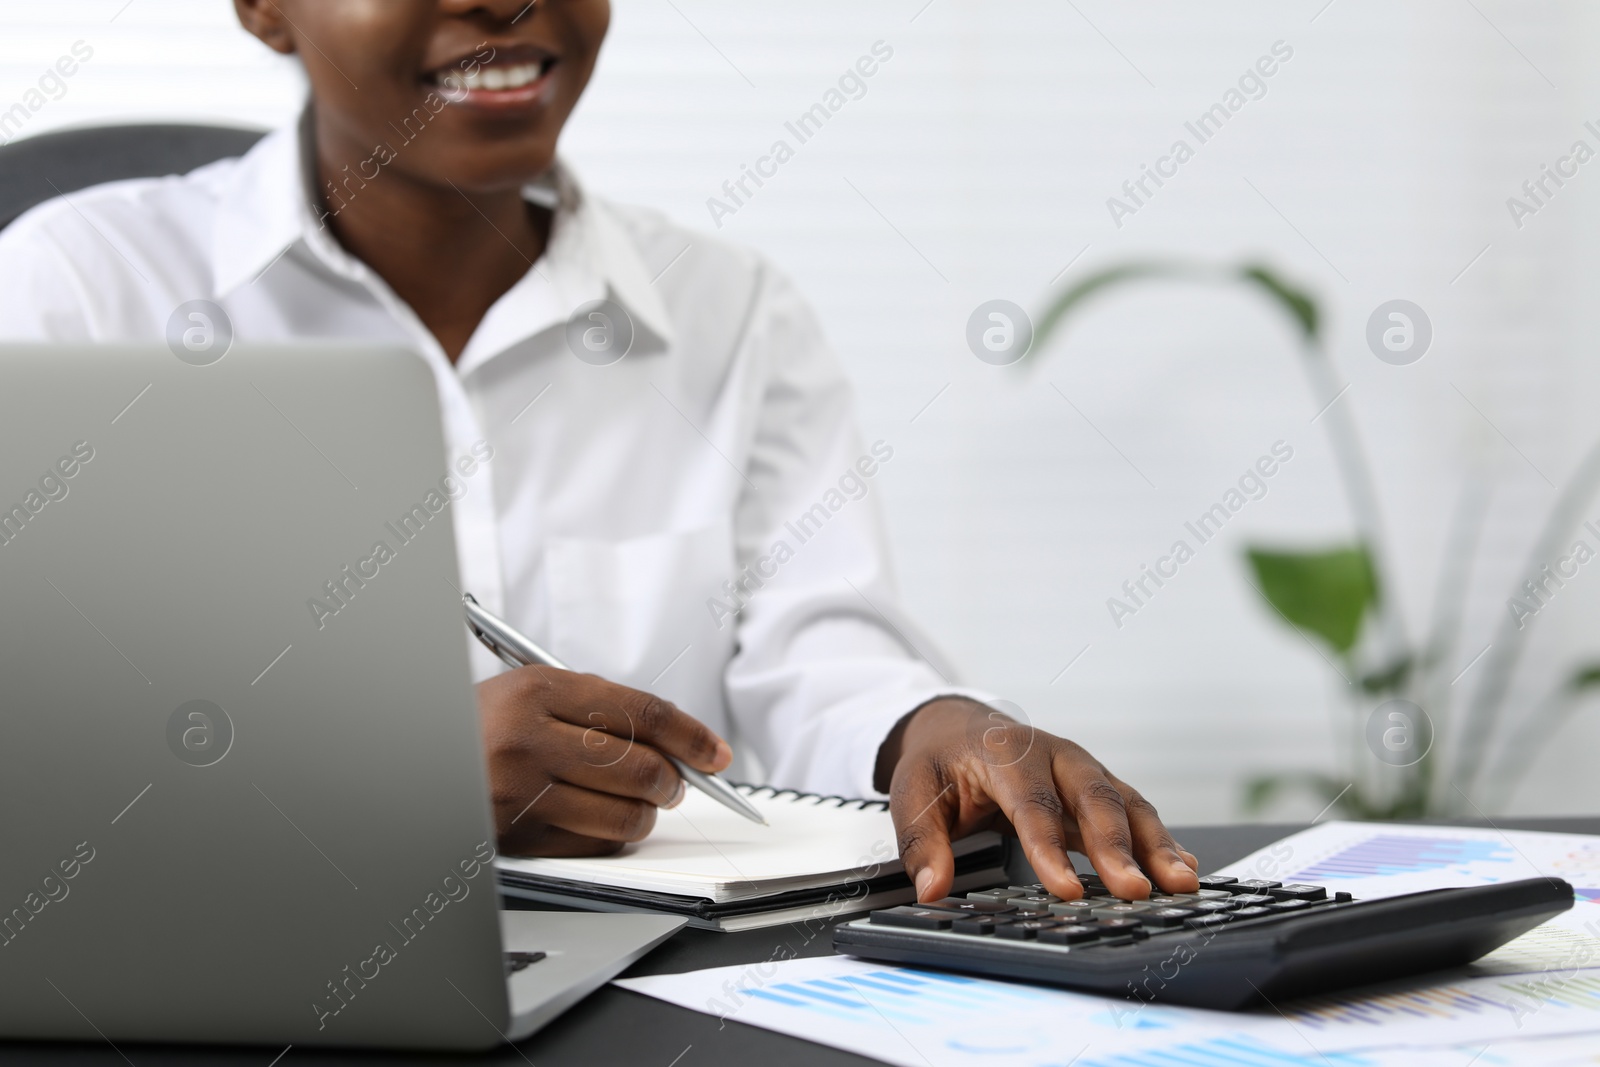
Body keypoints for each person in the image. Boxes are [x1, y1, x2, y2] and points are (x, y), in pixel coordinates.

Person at [0, 0, 1198, 904]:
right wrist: (382, 776)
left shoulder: (729, 312)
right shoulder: (79, 290)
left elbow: (812, 640)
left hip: (662, 995)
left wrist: (924, 722)